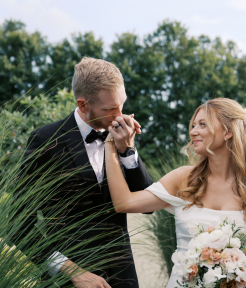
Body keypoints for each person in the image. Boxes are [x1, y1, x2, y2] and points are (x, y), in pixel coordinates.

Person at [104, 98, 246, 288]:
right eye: (194, 125)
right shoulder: (183, 179)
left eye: (203, 124)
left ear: (229, 131)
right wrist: (110, 144)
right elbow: (124, 203)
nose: (192, 131)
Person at [18, 57, 153, 288]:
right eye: (110, 109)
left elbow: (148, 205)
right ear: (83, 105)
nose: (120, 115)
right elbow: (20, 220)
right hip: (69, 280)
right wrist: (71, 271)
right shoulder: (46, 139)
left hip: (123, 275)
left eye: (122, 104)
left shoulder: (122, 136)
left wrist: (127, 151)